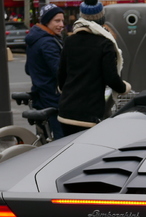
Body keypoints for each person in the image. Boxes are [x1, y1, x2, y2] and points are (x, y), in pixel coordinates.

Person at [57, 0, 130, 136]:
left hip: (66, 111)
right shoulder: (105, 43)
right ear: (101, 17)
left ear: (81, 17)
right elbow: (111, 78)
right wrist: (124, 87)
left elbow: (62, 75)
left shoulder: (70, 41)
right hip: (89, 114)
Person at [25, 4, 65, 139]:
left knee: (45, 139)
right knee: (61, 142)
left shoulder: (35, 39)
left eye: (62, 21)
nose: (61, 25)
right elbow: (59, 72)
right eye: (57, 21)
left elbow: (27, 69)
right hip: (53, 98)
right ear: (47, 21)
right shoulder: (48, 43)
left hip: (40, 96)